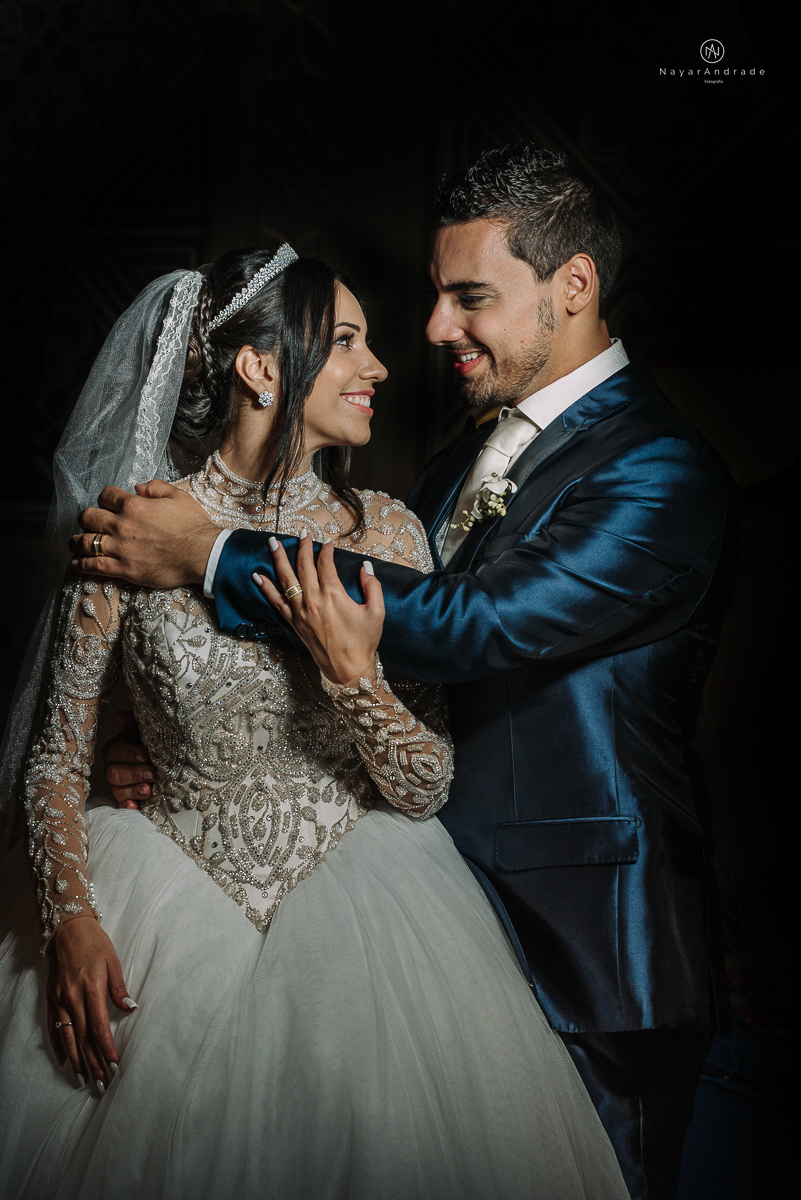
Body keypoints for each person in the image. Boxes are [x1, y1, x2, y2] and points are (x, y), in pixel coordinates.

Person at [78, 145, 736, 1200]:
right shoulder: (446, 466)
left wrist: (208, 552)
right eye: (436, 297)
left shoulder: (663, 471)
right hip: (430, 927)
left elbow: (476, 623)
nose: (434, 331)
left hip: (589, 958)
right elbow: (353, 672)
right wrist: (167, 737)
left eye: (469, 297)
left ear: (574, 286)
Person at [0, 244, 629, 1199]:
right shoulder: (129, 527)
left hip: (364, 916)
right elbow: (55, 753)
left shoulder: (385, 529)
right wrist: (75, 920)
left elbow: (424, 784)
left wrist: (354, 680)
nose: (378, 366)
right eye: (345, 342)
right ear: (260, 368)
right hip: (157, 910)